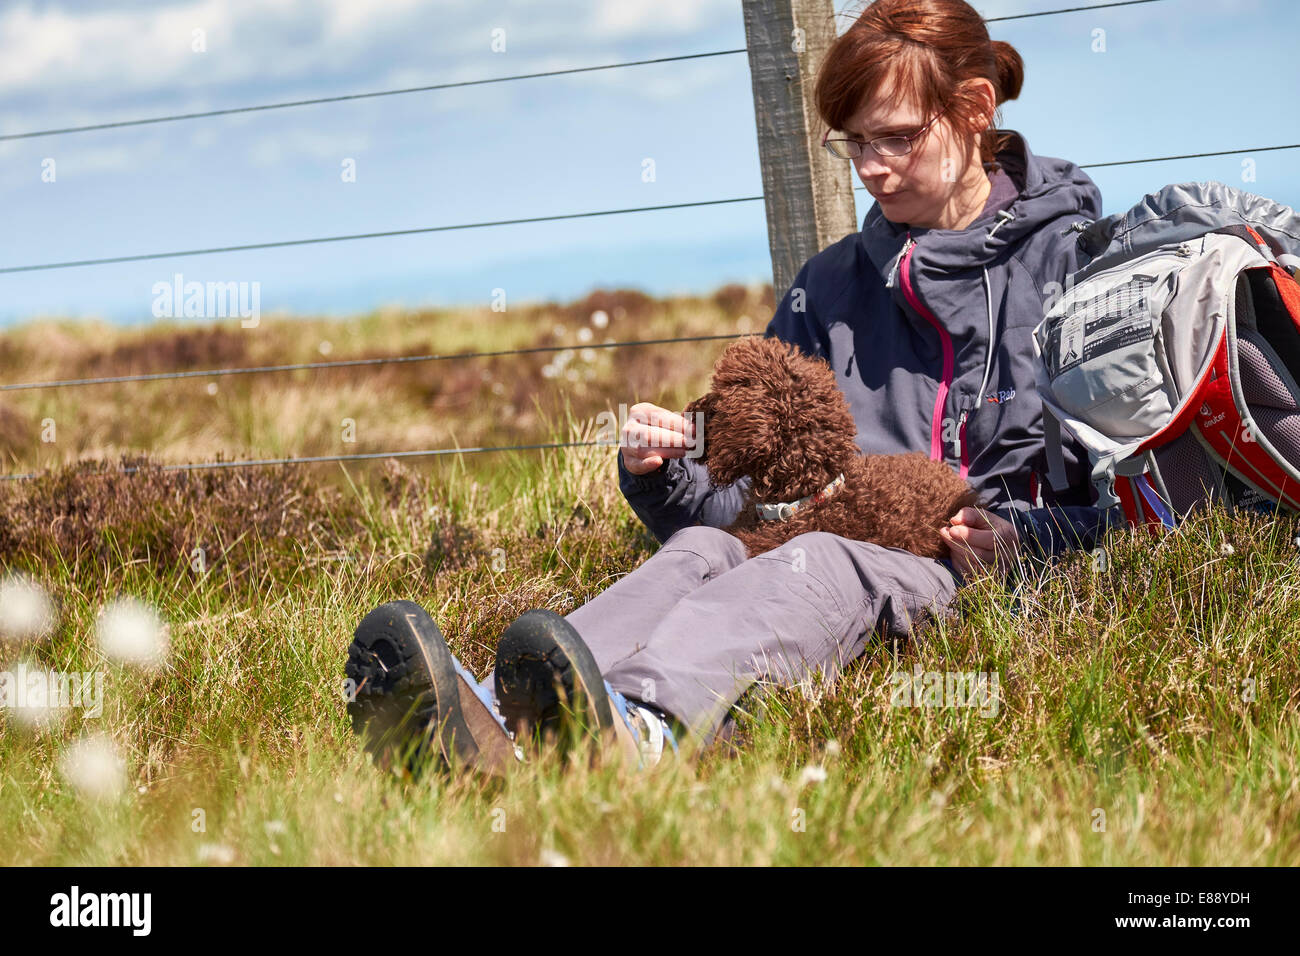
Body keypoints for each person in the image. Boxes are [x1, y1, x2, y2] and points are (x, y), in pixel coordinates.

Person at [344, 0, 1124, 776]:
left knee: (818, 558)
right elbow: (744, 491)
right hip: (819, 558)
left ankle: (638, 733)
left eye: (896, 136)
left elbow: (1150, 499)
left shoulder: (1082, 270)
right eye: (854, 143)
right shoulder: (830, 286)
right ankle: (483, 728)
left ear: (976, 109)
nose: (872, 168)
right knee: (703, 547)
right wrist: (669, 470)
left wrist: (1029, 539)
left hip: (983, 583)